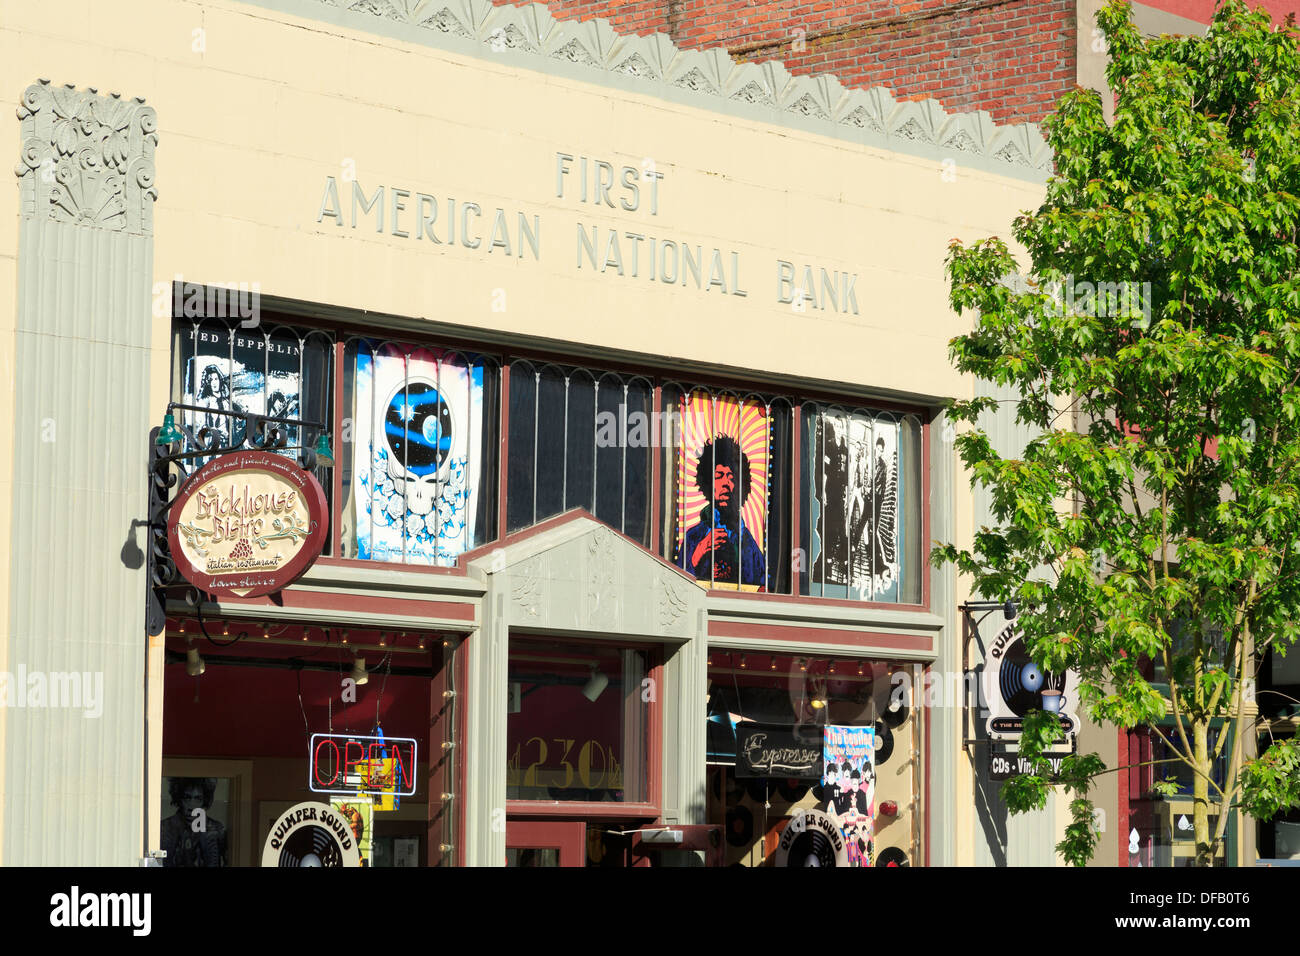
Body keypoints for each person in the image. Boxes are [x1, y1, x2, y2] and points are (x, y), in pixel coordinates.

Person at [678, 435, 766, 587]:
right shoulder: (694, 537)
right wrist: (699, 551)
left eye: (731, 477)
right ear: (707, 483)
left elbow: (762, 588)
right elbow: (677, 583)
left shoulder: (747, 542)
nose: (726, 483)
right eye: (719, 476)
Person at [160, 777, 228, 867]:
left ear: (204, 800)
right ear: (179, 799)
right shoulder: (165, 827)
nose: (192, 805)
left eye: (198, 798)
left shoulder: (216, 829)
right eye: (187, 798)